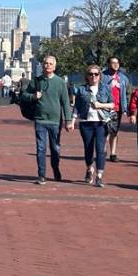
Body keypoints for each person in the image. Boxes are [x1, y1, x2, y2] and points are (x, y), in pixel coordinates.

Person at [22, 54, 72, 184]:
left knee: (55, 148)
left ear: (54, 66)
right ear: (42, 65)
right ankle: (41, 174)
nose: (47, 66)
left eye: (50, 64)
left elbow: (66, 102)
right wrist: (34, 96)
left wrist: (68, 120)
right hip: (40, 120)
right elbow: (24, 96)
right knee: (41, 148)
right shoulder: (36, 81)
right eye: (45, 63)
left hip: (55, 121)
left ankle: (55, 168)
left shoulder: (60, 82)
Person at [72, 64, 114, 188]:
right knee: (88, 148)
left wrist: (100, 105)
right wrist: (72, 121)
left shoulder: (106, 88)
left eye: (96, 74)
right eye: (91, 74)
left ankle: (99, 176)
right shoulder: (81, 89)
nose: (93, 76)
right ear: (87, 76)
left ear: (100, 76)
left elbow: (112, 105)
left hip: (101, 123)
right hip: (86, 123)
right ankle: (89, 169)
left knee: (101, 150)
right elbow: (77, 107)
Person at [102, 56, 130, 162]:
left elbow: (127, 94)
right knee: (104, 131)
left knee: (114, 131)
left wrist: (126, 108)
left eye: (117, 63)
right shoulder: (102, 76)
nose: (115, 65)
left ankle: (113, 153)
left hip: (117, 108)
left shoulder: (123, 78)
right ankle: (102, 151)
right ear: (108, 64)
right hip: (105, 108)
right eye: (113, 63)